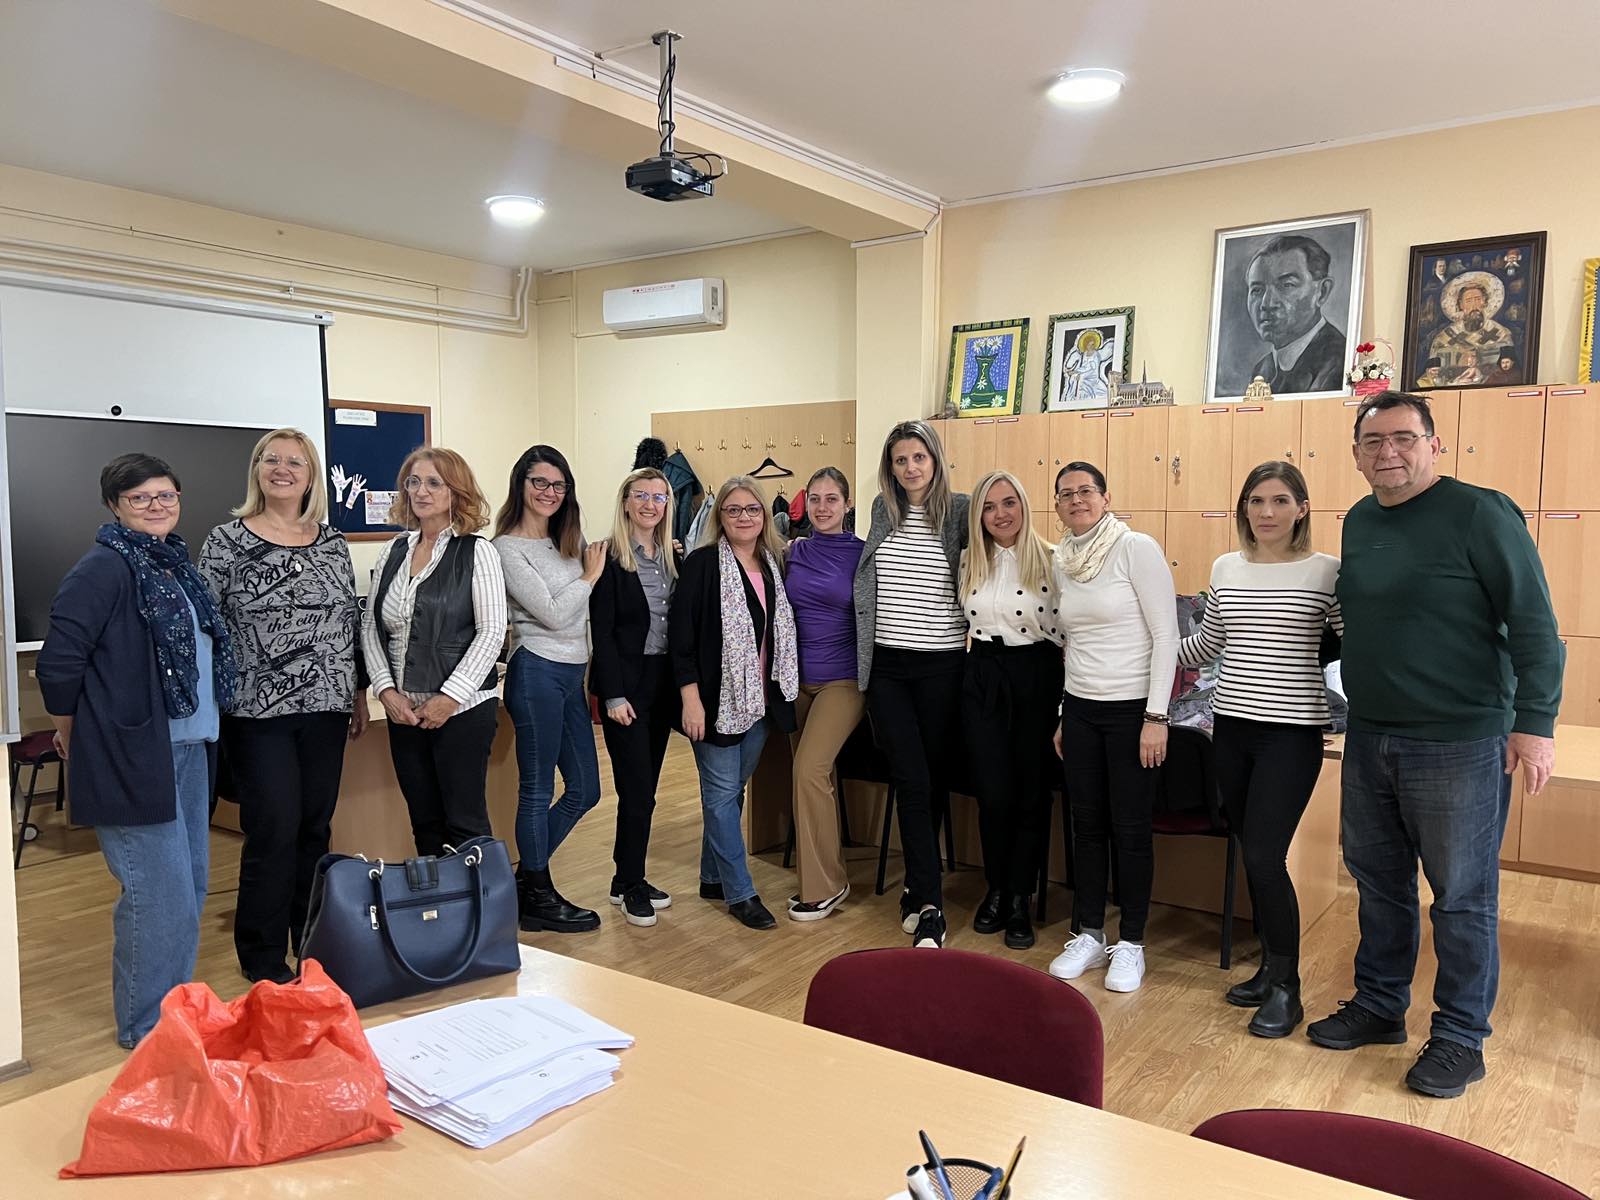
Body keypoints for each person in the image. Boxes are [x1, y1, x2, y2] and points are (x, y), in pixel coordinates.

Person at [1307, 391, 1563, 1099]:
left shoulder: (1481, 513)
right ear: (1356, 455)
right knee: (1379, 883)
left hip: (1459, 741)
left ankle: (1459, 1036)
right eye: (1373, 441)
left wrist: (1535, 724)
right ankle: (1380, 1005)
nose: (1388, 452)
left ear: (1434, 444)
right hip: (1371, 735)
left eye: (1404, 438)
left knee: (1461, 897)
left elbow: (1535, 625)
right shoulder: (1361, 520)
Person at [37, 453, 235, 1047]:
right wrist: (72, 732)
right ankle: (147, 1029)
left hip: (189, 746)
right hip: (132, 754)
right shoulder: (104, 568)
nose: (156, 506)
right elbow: (59, 663)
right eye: (140, 498)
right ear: (114, 506)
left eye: (165, 495)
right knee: (158, 897)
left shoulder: (175, 565)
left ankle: (173, 1011)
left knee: (189, 888)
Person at [1177, 461, 1341, 1037]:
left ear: (1302, 508)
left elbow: (1354, 646)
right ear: (1244, 508)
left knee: (1267, 857)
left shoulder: (1327, 572)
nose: (1267, 512)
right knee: (1251, 852)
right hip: (1231, 728)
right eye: (1256, 501)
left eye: (1280, 501)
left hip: (1290, 735)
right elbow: (1207, 645)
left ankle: (1288, 988)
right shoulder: (1227, 567)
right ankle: (1270, 968)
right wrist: (1141, 643)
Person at [199, 428, 366, 986]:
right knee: (273, 829)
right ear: (257, 470)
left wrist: (358, 693)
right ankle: (262, 954)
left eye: (296, 462)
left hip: (327, 706)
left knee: (315, 828)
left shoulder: (332, 541)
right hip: (256, 712)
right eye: (271, 459)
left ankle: (313, 943)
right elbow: (206, 627)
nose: (282, 469)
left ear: (311, 476)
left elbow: (348, 623)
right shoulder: (225, 541)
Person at [1047, 461, 1177, 992]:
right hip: (1081, 709)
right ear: (1057, 505)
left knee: (1130, 829)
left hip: (1132, 711)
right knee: (1086, 826)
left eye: (1086, 491)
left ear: (1105, 497)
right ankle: (1089, 933)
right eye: (1066, 494)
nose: (1076, 500)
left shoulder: (1134, 548)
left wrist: (1156, 716)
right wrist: (1064, 713)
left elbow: (1166, 636)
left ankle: (1132, 943)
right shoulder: (1062, 560)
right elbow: (1071, 642)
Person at [854, 419, 971, 950]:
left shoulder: (960, 511)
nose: (910, 468)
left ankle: (917, 889)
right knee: (911, 779)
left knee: (931, 780)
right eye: (900, 460)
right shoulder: (884, 509)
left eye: (918, 457)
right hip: (888, 668)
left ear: (935, 459)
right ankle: (931, 908)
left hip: (942, 666)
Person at [361, 448, 505, 860]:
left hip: (463, 711)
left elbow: (492, 631)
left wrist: (449, 698)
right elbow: (371, 626)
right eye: (413, 482)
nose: (421, 491)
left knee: (465, 824)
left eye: (434, 483)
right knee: (424, 822)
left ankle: (476, 901)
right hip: (405, 713)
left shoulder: (477, 551)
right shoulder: (394, 551)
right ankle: (436, 899)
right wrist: (386, 692)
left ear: (456, 491)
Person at [671, 476, 798, 931]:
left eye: (752, 509)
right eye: (733, 509)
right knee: (722, 794)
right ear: (719, 517)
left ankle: (712, 877)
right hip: (713, 702)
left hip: (760, 701)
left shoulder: (772, 563)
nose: (744, 517)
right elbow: (681, 639)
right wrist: (690, 699)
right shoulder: (703, 564)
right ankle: (741, 893)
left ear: (764, 515)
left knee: (732, 791)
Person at [493, 445, 607, 932]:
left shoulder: (567, 543)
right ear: (521, 484)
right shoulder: (506, 548)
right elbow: (556, 614)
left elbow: (581, 615)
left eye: (559, 485)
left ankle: (522, 882)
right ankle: (537, 892)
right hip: (536, 671)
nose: (549, 492)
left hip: (571, 675)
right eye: (539, 482)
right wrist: (591, 575)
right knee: (537, 790)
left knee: (585, 789)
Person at [960, 470, 1064, 950]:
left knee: (1030, 793)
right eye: (989, 506)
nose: (1000, 514)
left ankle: (1021, 896)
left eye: (1008, 503)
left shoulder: (1052, 560)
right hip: (982, 673)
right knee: (992, 792)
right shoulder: (969, 560)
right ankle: (997, 888)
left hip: (1035, 675)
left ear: (1024, 505)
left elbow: (1070, 635)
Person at [589, 467, 681, 929]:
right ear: (626, 502)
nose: (649, 504)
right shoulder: (607, 557)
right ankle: (630, 883)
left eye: (658, 497)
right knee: (637, 791)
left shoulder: (672, 557)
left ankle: (624, 878)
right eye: (641, 495)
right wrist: (612, 695)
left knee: (646, 791)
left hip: (662, 684)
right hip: (626, 687)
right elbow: (602, 633)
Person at [782, 467, 865, 921]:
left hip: (843, 681)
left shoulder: (863, 554)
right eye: (814, 499)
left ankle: (825, 886)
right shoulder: (794, 551)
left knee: (809, 769)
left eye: (832, 499)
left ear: (847, 504)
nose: (822, 507)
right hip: (797, 681)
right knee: (811, 775)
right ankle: (824, 870)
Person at [1244, 234, 1347, 394]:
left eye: (1287, 285)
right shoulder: (1262, 369)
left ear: (1322, 292)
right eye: (1257, 290)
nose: (1267, 304)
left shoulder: (1339, 362)